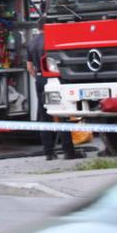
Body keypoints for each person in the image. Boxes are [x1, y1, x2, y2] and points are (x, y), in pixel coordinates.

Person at [26, 30, 83, 160]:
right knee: (62, 114)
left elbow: (29, 67)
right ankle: (68, 151)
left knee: (44, 116)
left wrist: (39, 77)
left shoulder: (32, 43)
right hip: (54, 78)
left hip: (40, 80)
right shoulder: (53, 39)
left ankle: (49, 153)